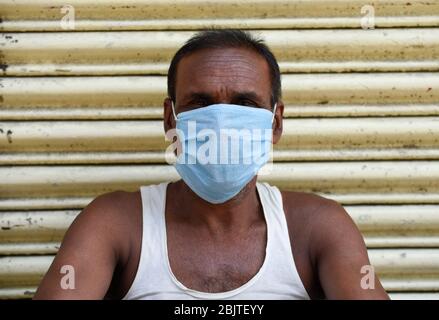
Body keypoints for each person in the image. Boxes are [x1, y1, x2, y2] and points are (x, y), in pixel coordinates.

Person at [34, 29, 389, 300]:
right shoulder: (115, 223)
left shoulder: (316, 227)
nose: (220, 123)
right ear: (170, 120)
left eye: (244, 104)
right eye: (199, 103)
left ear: (275, 123)